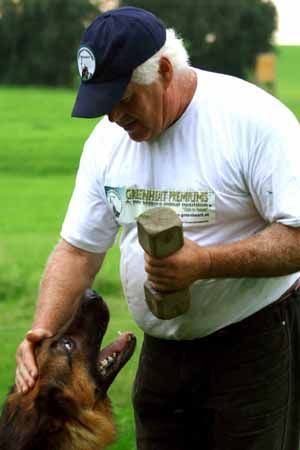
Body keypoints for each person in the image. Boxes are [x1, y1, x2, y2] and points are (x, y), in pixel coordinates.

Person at [15, 6, 300, 450]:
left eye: (124, 98)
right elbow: (78, 251)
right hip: (163, 352)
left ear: (164, 70)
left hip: (253, 345)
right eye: (103, 104)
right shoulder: (108, 143)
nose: (114, 117)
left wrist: (204, 263)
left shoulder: (253, 121)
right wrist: (43, 334)